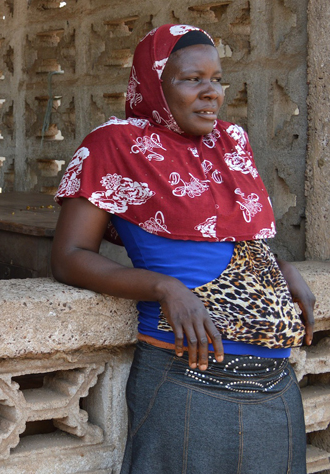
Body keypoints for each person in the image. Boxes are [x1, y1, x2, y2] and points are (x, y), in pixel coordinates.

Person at [51, 25, 314, 473]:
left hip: (278, 385)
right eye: (192, 79)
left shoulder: (231, 143)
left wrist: (276, 266)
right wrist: (164, 287)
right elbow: (69, 256)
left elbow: (234, 237)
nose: (211, 92)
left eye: (216, 79)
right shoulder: (116, 145)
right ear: (154, 84)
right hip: (190, 381)